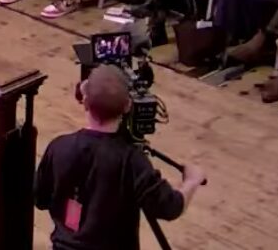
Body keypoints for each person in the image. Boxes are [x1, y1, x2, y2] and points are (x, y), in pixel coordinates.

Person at [34, 65, 206, 250]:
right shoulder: (131, 161)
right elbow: (170, 207)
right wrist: (191, 181)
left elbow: (40, 199)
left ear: (84, 101)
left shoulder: (59, 147)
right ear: (127, 106)